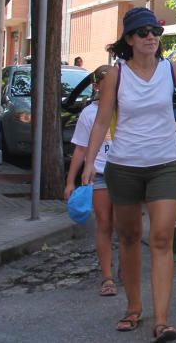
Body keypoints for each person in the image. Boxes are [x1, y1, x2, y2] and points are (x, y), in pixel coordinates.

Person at [82, 6, 176, 342]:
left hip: (165, 164)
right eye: (143, 32)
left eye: (155, 32)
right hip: (124, 167)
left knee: (162, 238)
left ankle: (161, 321)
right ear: (130, 39)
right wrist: (90, 162)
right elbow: (103, 121)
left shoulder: (171, 70)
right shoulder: (116, 75)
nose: (151, 37)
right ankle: (133, 308)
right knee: (131, 238)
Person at [65, 65, 116, 297]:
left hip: (127, 172)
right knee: (104, 223)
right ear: (97, 86)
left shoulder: (126, 109)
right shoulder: (88, 114)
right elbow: (80, 149)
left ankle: (127, 265)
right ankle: (107, 276)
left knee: (127, 227)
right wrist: (70, 182)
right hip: (100, 174)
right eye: (107, 82)